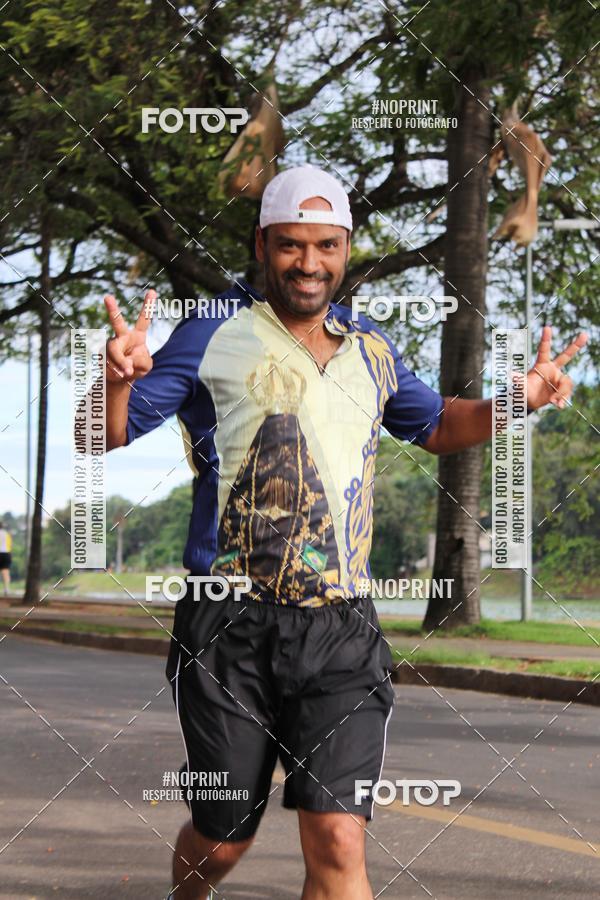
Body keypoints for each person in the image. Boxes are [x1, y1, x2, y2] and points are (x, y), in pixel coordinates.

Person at [103, 165, 586, 900]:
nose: (309, 263)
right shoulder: (210, 333)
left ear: (347, 247)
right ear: (262, 243)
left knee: (337, 837)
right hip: (226, 627)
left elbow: (436, 426)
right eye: (292, 245)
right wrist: (114, 382)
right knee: (223, 836)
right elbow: (98, 434)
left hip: (341, 632)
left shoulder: (371, 346)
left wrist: (515, 402)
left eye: (326, 245)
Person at [0, 522, 12, 597]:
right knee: (6, 572)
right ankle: (6, 589)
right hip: (6, 554)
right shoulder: (7, 534)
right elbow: (10, 545)